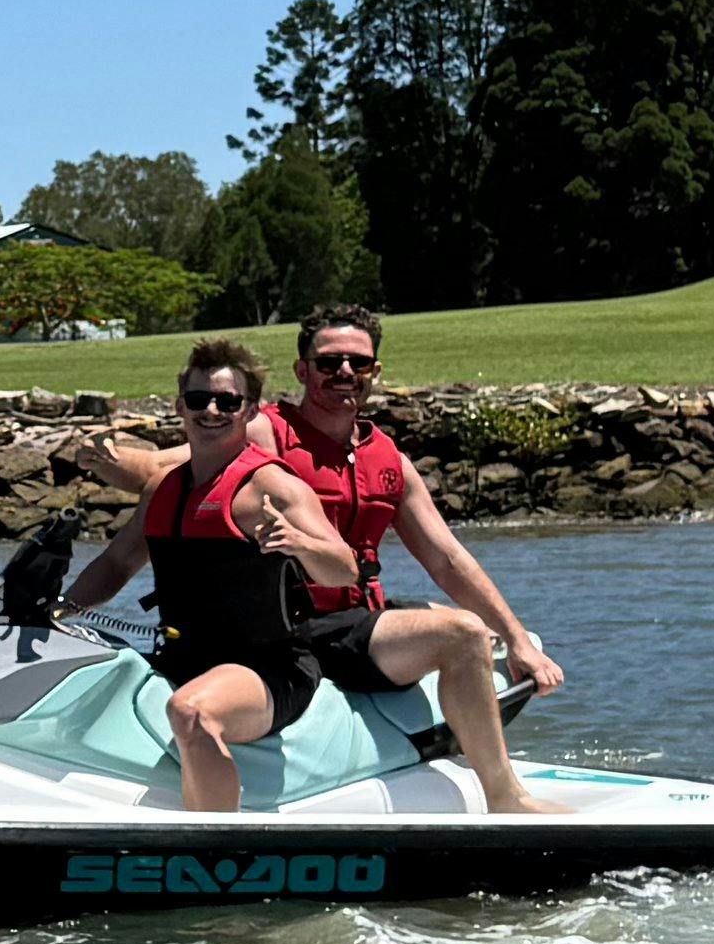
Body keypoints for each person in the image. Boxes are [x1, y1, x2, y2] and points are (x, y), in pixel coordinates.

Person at [89, 307, 557, 813]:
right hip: (289, 627)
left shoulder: (389, 462)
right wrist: (106, 458)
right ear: (303, 370)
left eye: (358, 362)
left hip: (353, 623)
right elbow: (168, 464)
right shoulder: (262, 430)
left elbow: (446, 558)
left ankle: (505, 796)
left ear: (375, 371)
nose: (345, 372)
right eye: (330, 362)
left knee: (465, 631)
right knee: (459, 628)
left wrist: (515, 638)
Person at [51, 342, 366, 813]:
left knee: (191, 711)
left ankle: (217, 842)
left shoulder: (273, 487)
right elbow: (116, 564)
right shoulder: (164, 488)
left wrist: (299, 543)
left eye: (227, 401)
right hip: (181, 656)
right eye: (199, 400)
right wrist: (58, 613)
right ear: (181, 407)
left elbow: (344, 569)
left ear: (250, 411)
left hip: (268, 669)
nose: (212, 411)